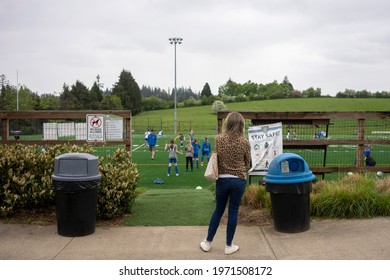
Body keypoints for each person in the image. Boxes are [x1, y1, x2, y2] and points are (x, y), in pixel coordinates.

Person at [200, 111, 251, 255]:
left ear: (227, 123)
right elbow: (247, 161)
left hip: (222, 179)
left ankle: (208, 243)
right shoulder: (245, 142)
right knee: (233, 211)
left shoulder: (218, 139)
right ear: (241, 125)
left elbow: (218, 156)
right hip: (238, 179)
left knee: (218, 210)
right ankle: (229, 245)